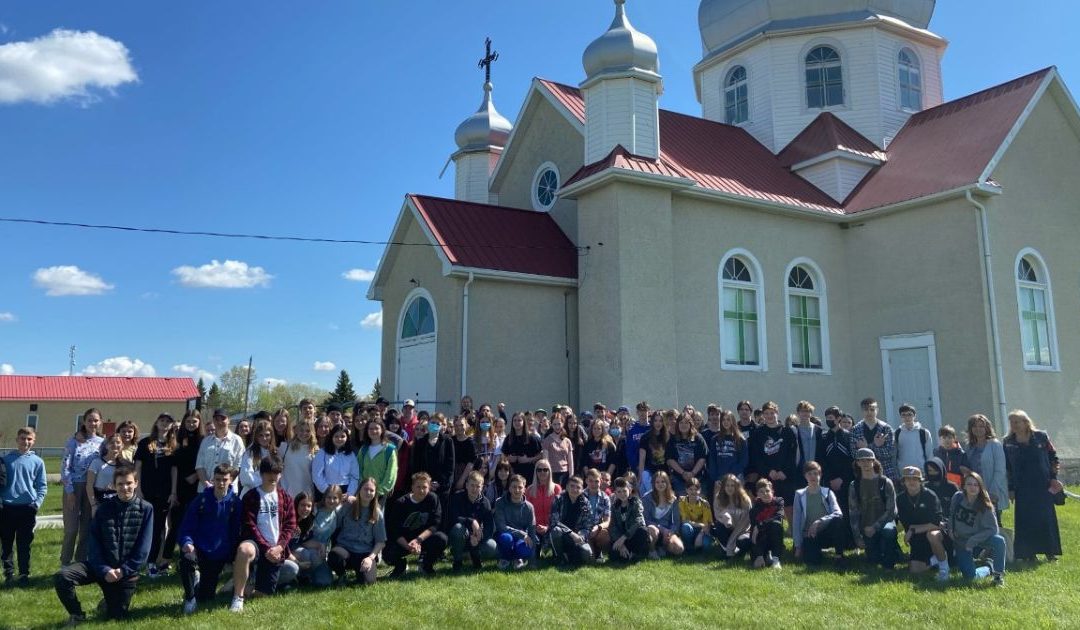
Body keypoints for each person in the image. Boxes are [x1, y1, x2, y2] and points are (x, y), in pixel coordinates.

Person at [54, 464, 153, 624]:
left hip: (125, 573)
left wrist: (123, 570)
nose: (125, 487)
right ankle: (77, 614)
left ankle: (108, 602)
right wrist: (104, 569)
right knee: (62, 577)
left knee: (116, 617)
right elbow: (94, 544)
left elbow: (143, 549)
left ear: (136, 483)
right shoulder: (103, 509)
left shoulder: (146, 509)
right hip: (100, 566)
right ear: (114, 486)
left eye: (128, 483)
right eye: (120, 484)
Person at [231, 456, 296, 612]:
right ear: (261, 474)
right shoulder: (251, 496)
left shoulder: (286, 498)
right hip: (257, 546)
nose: (272, 477)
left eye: (276, 473)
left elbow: (290, 525)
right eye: (268, 473)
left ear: (280, 474)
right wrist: (266, 548)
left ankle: (245, 583)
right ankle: (237, 597)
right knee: (244, 550)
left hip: (276, 550)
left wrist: (279, 547)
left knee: (267, 592)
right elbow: (249, 525)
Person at [177, 464, 243, 614]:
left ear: (231, 480)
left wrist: (231, 555)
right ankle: (189, 598)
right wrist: (187, 542)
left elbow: (235, 531)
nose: (220, 483)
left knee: (207, 597)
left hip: (218, 554)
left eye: (224, 480)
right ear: (213, 479)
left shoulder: (235, 503)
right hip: (198, 549)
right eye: (217, 479)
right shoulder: (200, 500)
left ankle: (197, 581)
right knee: (186, 558)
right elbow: (186, 526)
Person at [1003, 410, 1062, 562]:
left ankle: (1050, 551)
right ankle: (1029, 554)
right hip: (1022, 487)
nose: (1014, 425)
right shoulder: (1008, 442)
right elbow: (1008, 467)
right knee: (1025, 519)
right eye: (1012, 422)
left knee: (1045, 517)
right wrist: (1010, 488)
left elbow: (1052, 457)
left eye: (1017, 422)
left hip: (1043, 484)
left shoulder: (1041, 437)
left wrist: (1054, 478)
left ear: (1026, 422)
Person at [133, 413, 179, 578]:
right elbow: (137, 466)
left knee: (160, 529)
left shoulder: (173, 445)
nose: (165, 423)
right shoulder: (145, 443)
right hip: (146, 491)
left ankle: (153, 563)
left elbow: (174, 470)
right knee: (145, 527)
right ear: (157, 422)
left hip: (165, 493)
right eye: (162, 420)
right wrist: (137, 489)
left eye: (168, 421)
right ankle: (140, 561)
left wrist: (173, 492)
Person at [1, 427, 47, 587]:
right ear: (17, 440)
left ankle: (23, 574)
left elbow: (42, 486)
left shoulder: (38, 462)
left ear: (33, 441)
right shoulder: (6, 460)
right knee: (6, 543)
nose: (25, 442)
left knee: (24, 543)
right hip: (7, 508)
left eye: (29, 439)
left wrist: (36, 504)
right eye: (22, 438)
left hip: (27, 508)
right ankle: (8, 573)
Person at [60, 408, 104, 566]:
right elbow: (65, 466)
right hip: (74, 487)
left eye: (96, 420)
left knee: (86, 528)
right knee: (71, 529)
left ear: (100, 422)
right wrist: (70, 491)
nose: (93, 423)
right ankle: (65, 561)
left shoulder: (102, 443)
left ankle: (80, 561)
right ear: (84, 422)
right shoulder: (73, 441)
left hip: (92, 488)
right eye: (90, 420)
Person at [948, 472, 1007, 586]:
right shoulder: (957, 497)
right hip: (961, 541)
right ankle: (988, 567)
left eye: (976, 485)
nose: (972, 487)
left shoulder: (985, 505)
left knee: (999, 541)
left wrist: (973, 540)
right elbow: (951, 515)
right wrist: (950, 529)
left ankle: (998, 575)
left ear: (980, 487)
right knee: (970, 577)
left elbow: (993, 529)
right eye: (969, 484)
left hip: (980, 538)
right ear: (964, 486)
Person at [385, 472, 448, 577]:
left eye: (425, 487)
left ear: (429, 488)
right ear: (412, 487)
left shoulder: (433, 499)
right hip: (405, 539)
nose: (421, 490)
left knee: (441, 539)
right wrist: (408, 546)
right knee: (387, 551)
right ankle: (401, 566)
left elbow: (434, 525)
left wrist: (418, 540)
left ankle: (426, 565)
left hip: (422, 538)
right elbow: (394, 530)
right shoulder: (401, 503)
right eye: (418, 487)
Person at [848, 448, 900, 569]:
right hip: (866, 528)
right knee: (873, 559)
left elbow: (892, 511)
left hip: (884, 524)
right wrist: (857, 537)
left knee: (888, 532)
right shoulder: (854, 485)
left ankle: (890, 562)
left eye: (868, 460)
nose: (865, 464)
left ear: (874, 461)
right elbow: (853, 513)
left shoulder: (885, 482)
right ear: (857, 463)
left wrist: (875, 526)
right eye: (862, 461)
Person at [328, 477, 386, 585]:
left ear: (375, 493)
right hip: (345, 549)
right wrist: (341, 500)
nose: (368, 492)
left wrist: (370, 558)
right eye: (365, 489)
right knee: (334, 557)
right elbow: (333, 523)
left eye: (371, 490)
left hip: (364, 553)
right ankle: (342, 575)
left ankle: (361, 573)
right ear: (359, 489)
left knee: (368, 582)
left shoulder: (377, 513)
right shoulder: (348, 506)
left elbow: (380, 541)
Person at [895, 466, 949, 580]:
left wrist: (913, 529)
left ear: (920, 481)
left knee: (932, 535)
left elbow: (937, 523)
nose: (911, 482)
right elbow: (905, 522)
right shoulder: (900, 499)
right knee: (914, 570)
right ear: (903, 481)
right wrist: (912, 531)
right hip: (917, 538)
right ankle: (935, 560)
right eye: (908, 479)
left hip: (936, 535)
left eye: (915, 479)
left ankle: (944, 569)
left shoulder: (930, 496)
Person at [748, 402, 797, 523]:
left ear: (777, 413)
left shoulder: (787, 432)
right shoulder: (758, 433)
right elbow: (756, 457)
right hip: (766, 477)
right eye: (766, 413)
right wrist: (768, 471)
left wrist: (784, 472)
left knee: (789, 508)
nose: (769, 416)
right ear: (763, 415)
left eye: (772, 413)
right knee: (767, 509)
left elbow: (793, 455)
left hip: (785, 477)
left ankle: (795, 538)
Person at [447, 471, 498, 571]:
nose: (474, 489)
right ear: (466, 485)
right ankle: (457, 560)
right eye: (472, 485)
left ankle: (475, 556)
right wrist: (471, 521)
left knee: (492, 547)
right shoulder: (457, 497)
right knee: (458, 528)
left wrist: (480, 537)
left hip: (476, 537)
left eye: (478, 486)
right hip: (461, 535)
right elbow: (453, 518)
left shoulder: (485, 502)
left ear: (482, 487)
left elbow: (490, 527)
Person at [411, 413, 455, 525]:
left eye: (437, 423)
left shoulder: (447, 441)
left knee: (439, 517)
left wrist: (439, 483)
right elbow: (416, 465)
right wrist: (426, 483)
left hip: (441, 488)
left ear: (441, 426)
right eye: (432, 423)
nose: (434, 425)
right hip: (423, 487)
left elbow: (450, 466)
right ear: (428, 424)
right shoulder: (421, 442)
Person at [966, 413, 1009, 524]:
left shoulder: (994, 445)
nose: (978, 429)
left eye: (981, 426)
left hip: (992, 490)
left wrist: (992, 492)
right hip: (975, 491)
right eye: (975, 426)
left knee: (994, 523)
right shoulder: (970, 447)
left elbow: (1000, 470)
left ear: (987, 428)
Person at [494, 474, 537, 569]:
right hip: (505, 535)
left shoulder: (529, 507)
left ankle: (517, 558)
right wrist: (521, 533)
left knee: (527, 548)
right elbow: (501, 526)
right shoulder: (500, 502)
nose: (517, 490)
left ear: (524, 489)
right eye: (514, 487)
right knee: (507, 539)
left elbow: (532, 530)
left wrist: (532, 560)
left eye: (520, 487)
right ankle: (505, 558)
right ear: (509, 488)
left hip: (521, 538)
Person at [195, 409, 246, 491]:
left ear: (229, 420)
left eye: (223, 419)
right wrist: (207, 484)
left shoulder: (237, 440)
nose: (219, 422)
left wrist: (224, 484)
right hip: (205, 489)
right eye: (216, 419)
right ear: (213, 421)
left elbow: (238, 466)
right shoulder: (206, 441)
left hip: (228, 490)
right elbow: (199, 466)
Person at [549, 475, 594, 565]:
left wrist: (581, 535)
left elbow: (588, 524)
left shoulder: (585, 503)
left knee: (587, 554)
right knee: (555, 530)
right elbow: (554, 521)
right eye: (572, 486)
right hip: (562, 535)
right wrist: (571, 533)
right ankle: (560, 557)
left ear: (582, 489)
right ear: (566, 487)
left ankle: (569, 556)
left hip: (578, 536)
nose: (575, 489)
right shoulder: (558, 499)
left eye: (578, 487)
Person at [852, 398, 898, 482]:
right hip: (864, 474)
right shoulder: (855, 430)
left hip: (885, 472)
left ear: (877, 410)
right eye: (866, 410)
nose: (869, 412)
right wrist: (876, 446)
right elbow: (854, 454)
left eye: (872, 409)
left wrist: (867, 447)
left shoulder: (886, 429)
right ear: (862, 411)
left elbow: (889, 453)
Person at [641, 471, 684, 558]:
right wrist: (661, 529)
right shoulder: (647, 498)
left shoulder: (673, 499)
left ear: (667, 483)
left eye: (663, 481)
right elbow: (644, 519)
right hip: (652, 529)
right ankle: (652, 551)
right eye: (657, 482)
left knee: (679, 548)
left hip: (667, 532)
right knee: (653, 530)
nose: (660, 484)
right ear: (653, 483)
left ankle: (662, 548)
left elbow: (676, 521)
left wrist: (671, 532)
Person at [312, 425, 360, 500]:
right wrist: (327, 491)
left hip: (345, 492)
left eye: (343, 436)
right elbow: (317, 475)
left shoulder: (350, 454)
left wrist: (349, 493)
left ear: (347, 438)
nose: (339, 439)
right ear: (331, 437)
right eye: (336, 436)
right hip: (326, 490)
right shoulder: (323, 452)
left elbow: (355, 476)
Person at [609, 476, 650, 562]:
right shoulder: (614, 507)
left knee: (643, 530)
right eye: (619, 492)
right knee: (613, 555)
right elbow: (613, 526)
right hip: (621, 538)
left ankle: (636, 554)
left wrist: (624, 537)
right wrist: (620, 543)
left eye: (624, 491)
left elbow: (639, 521)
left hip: (632, 536)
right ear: (615, 493)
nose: (622, 494)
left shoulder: (636, 502)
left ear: (630, 490)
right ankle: (627, 554)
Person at [665, 412, 708, 495]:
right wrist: (683, 473)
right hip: (679, 479)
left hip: (698, 478)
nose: (683, 425)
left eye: (686, 422)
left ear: (690, 424)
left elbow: (702, 458)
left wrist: (692, 473)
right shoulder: (672, 440)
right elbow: (670, 460)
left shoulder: (698, 438)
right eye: (681, 422)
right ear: (677, 425)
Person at [711, 473, 752, 560]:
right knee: (718, 527)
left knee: (743, 541)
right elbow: (718, 516)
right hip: (727, 527)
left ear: (737, 486)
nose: (730, 488)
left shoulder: (745, 500)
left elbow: (746, 521)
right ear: (723, 487)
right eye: (727, 485)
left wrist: (734, 536)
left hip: (743, 530)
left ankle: (738, 552)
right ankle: (729, 550)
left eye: (732, 485)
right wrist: (726, 518)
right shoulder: (718, 499)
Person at [749, 478, 785, 569]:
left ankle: (776, 560)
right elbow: (754, 534)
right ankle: (764, 555)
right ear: (757, 494)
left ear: (772, 491)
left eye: (767, 491)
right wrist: (759, 555)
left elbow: (778, 516)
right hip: (762, 540)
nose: (765, 494)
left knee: (776, 525)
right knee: (757, 563)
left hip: (775, 538)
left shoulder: (779, 501)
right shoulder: (754, 509)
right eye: (761, 492)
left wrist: (760, 525)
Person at [358, 419, 398, 498]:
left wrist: (380, 490)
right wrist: (362, 487)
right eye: (371, 429)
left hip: (380, 493)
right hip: (364, 492)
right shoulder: (363, 449)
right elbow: (358, 469)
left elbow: (391, 472)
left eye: (376, 428)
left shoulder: (389, 449)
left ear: (382, 430)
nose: (373, 431)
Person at [710, 410, 748, 492]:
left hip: (736, 477)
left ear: (733, 421)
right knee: (720, 503)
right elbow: (712, 460)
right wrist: (716, 477)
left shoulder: (740, 439)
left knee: (737, 503)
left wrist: (732, 474)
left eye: (728, 420)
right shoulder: (715, 439)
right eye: (723, 420)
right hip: (719, 478)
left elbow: (744, 460)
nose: (726, 422)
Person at [526, 460, 562, 546]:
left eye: (545, 469)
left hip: (552, 528)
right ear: (536, 472)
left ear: (549, 471)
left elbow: (559, 513)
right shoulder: (530, 490)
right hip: (534, 528)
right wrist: (535, 527)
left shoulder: (556, 489)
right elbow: (527, 514)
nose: (542, 472)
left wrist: (548, 527)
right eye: (539, 470)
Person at [279, 418, 317, 499]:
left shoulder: (315, 451)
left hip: (306, 496)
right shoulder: (285, 447)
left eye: (307, 431)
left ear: (312, 432)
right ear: (296, 431)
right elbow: (277, 468)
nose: (304, 433)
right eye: (301, 430)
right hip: (286, 493)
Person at [238, 419, 278, 495]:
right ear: (256, 436)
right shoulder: (250, 452)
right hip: (251, 494)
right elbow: (245, 476)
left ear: (271, 436)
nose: (264, 438)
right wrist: (264, 485)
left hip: (270, 494)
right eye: (261, 435)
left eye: (267, 435)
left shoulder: (275, 452)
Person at [894, 404, 934, 474]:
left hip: (921, 471)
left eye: (909, 414)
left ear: (914, 416)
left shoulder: (924, 433)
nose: (907, 417)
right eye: (903, 415)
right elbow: (894, 454)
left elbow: (929, 454)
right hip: (903, 471)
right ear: (900, 417)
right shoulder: (897, 433)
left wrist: (929, 470)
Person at [503, 413, 543, 483]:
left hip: (529, 474)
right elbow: (503, 454)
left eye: (519, 420)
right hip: (513, 474)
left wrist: (529, 459)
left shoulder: (532, 438)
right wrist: (508, 459)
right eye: (514, 420)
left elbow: (541, 454)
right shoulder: (509, 438)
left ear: (524, 422)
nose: (517, 422)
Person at [582, 468, 612, 559]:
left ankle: (598, 551)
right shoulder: (580, 496)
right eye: (591, 481)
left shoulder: (605, 497)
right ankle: (594, 552)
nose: (594, 484)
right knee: (589, 559)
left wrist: (598, 527)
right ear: (586, 480)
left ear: (600, 481)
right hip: (583, 529)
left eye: (596, 481)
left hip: (597, 529)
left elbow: (607, 521)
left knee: (605, 535)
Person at [677, 477, 713, 552]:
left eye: (696, 489)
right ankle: (688, 547)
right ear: (686, 490)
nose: (693, 492)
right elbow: (684, 521)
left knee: (706, 546)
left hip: (702, 531)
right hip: (690, 529)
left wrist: (701, 534)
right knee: (685, 527)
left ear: (700, 490)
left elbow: (706, 524)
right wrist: (700, 525)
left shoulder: (704, 503)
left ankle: (697, 546)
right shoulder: (682, 501)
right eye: (690, 489)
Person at [637, 412, 669, 497]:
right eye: (656, 420)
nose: (658, 423)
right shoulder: (645, 437)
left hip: (664, 472)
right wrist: (640, 477)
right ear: (652, 422)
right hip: (649, 471)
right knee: (644, 477)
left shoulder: (668, 437)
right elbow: (642, 459)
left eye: (660, 421)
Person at [542, 412, 575, 488]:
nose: (557, 427)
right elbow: (545, 460)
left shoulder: (567, 441)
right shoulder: (547, 440)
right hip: (553, 473)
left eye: (559, 424)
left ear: (563, 424)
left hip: (565, 474)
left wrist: (571, 475)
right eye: (554, 424)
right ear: (551, 425)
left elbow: (570, 461)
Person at [450, 416, 477, 490]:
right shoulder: (450, 441)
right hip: (451, 474)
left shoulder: (470, 442)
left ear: (466, 426)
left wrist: (462, 480)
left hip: (464, 474)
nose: (459, 428)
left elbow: (471, 462)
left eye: (461, 425)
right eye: (456, 425)